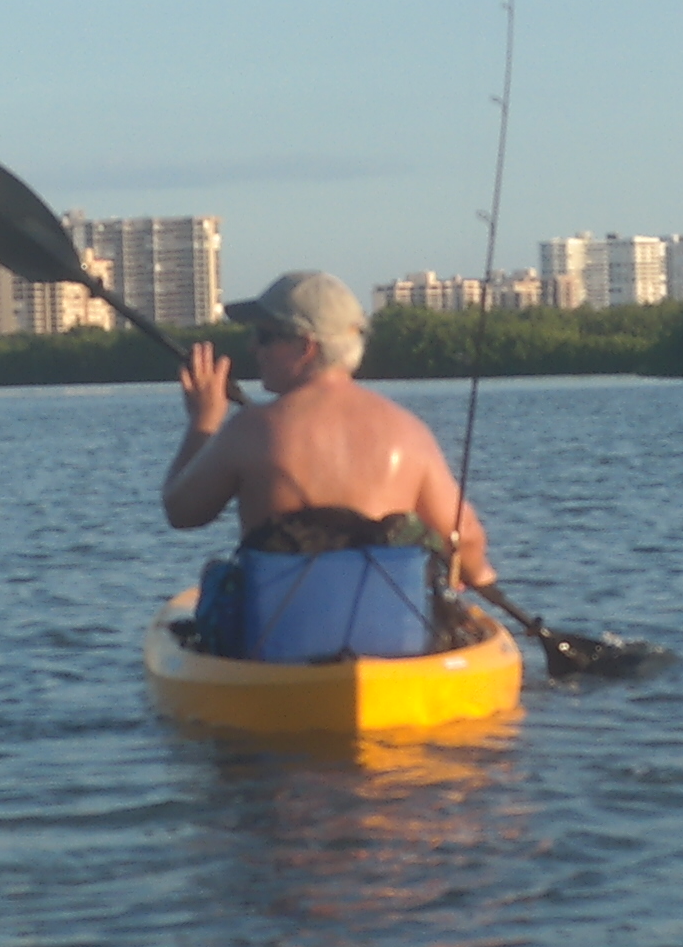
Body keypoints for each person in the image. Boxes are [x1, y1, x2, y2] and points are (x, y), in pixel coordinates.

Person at [162, 272, 498, 660]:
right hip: (394, 645)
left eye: (266, 336)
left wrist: (203, 423)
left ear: (305, 346)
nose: (254, 347)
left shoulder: (250, 430)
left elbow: (181, 510)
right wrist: (481, 580)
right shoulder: (408, 433)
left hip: (275, 650)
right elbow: (465, 537)